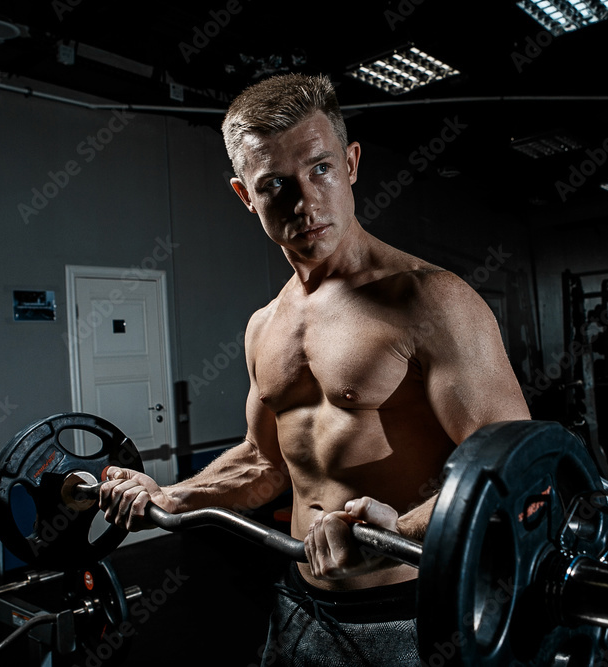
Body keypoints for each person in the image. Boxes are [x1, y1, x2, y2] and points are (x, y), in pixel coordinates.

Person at [98, 73, 530, 666]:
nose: (304, 203)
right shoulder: (264, 325)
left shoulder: (431, 300)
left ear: (351, 163)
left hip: (416, 609)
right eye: (275, 185)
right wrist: (171, 496)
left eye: (320, 169)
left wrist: (396, 533)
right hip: (302, 605)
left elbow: (513, 470)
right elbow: (264, 462)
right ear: (244, 196)